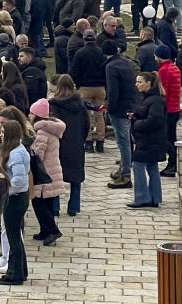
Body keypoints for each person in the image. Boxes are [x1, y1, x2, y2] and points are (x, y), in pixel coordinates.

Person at [47, 75, 88, 217]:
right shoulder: (80, 103)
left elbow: (52, 125)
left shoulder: (53, 105)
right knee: (76, 176)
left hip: (58, 142)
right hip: (76, 142)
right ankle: (74, 207)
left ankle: (55, 207)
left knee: (55, 175)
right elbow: (86, 124)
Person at [0, 121, 30, 286]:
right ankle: (20, 271)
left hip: (15, 198)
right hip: (19, 196)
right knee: (15, 236)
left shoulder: (16, 154)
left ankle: (15, 274)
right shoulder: (18, 150)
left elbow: (18, 179)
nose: (0, 135)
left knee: (14, 238)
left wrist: (4, 190)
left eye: (2, 132)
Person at [27, 99, 64, 245]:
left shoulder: (42, 131)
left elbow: (38, 154)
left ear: (37, 115)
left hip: (43, 173)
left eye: (31, 113)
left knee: (39, 203)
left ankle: (53, 230)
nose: (29, 115)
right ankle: (45, 230)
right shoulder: (51, 128)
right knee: (47, 202)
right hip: (52, 170)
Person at [129, 71, 168, 208]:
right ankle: (154, 197)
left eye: (139, 82)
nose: (136, 84)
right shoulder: (150, 99)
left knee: (138, 165)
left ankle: (142, 197)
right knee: (152, 167)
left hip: (149, 140)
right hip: (152, 140)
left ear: (148, 83)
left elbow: (154, 121)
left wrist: (137, 124)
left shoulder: (155, 100)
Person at [105, 40, 136, 189]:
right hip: (130, 104)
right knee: (125, 140)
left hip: (119, 108)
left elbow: (113, 91)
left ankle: (125, 175)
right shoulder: (126, 62)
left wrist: (110, 108)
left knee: (123, 141)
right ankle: (123, 168)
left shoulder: (111, 66)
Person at [70, 29, 106, 153]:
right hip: (100, 87)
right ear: (95, 38)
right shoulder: (101, 52)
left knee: (86, 115)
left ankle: (89, 142)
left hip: (85, 88)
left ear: (84, 39)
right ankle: (100, 141)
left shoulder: (80, 53)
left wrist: (78, 84)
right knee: (99, 115)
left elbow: (74, 71)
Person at [155, 46, 182, 177]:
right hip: (175, 107)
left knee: (165, 138)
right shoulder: (174, 67)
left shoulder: (163, 70)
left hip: (167, 109)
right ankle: (172, 164)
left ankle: (173, 161)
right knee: (171, 136)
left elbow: (163, 91)